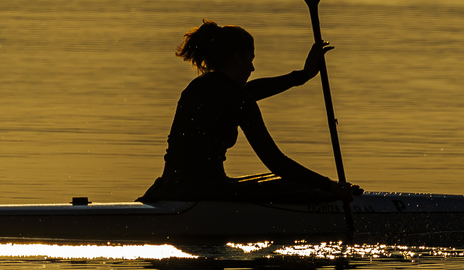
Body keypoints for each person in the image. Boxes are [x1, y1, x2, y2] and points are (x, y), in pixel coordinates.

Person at [139, 20, 362, 204]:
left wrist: (302, 76)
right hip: (206, 195)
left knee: (271, 181)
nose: (252, 68)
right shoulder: (238, 100)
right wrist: (328, 186)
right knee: (292, 184)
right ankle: (336, 195)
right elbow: (276, 162)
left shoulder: (196, 89)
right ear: (237, 58)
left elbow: (251, 90)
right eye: (251, 59)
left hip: (167, 190)